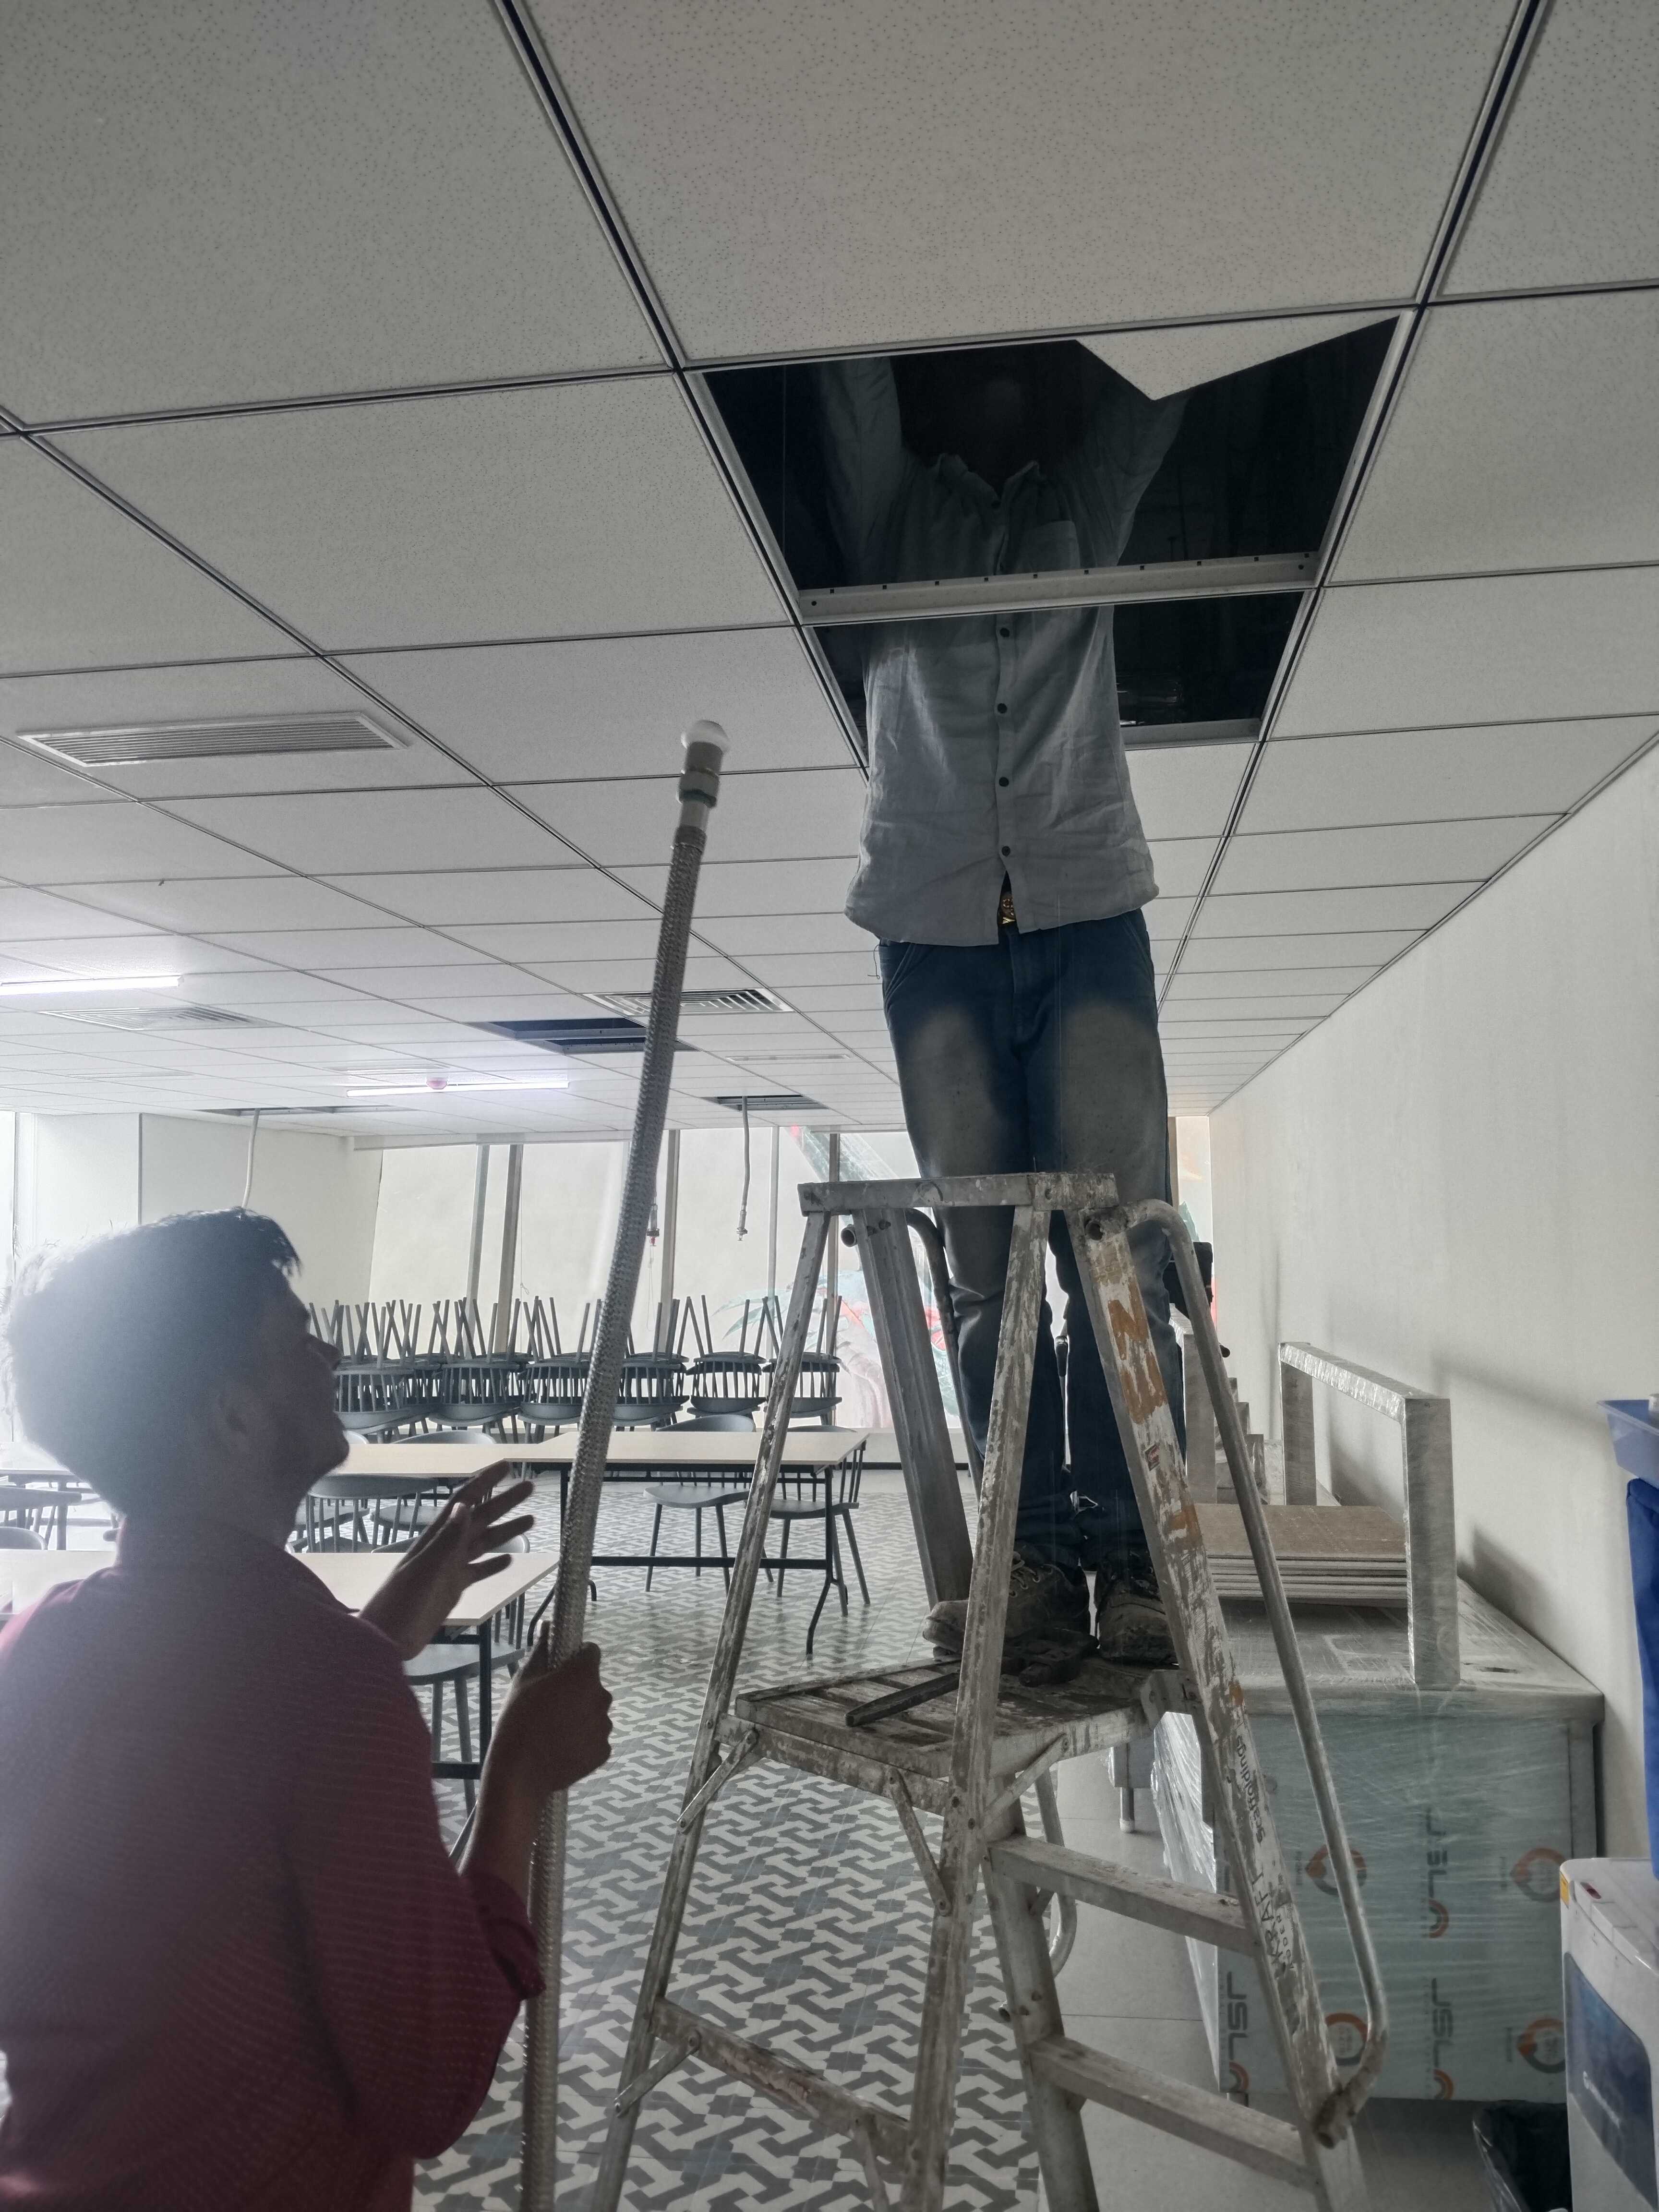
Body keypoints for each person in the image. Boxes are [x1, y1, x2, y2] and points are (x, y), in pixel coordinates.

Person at [0, 1210, 612, 2212]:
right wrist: (519, 1778)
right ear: (233, 1418)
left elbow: (206, 1778)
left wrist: (379, 1633)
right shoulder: (327, 1686)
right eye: (296, 1337)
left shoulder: (33, 1649)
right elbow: (434, 2083)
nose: (330, 1355)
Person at [816, 348, 1187, 1675]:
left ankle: (1136, 1562)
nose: (998, 391)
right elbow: (851, 393)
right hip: (933, 924)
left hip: (1084, 903)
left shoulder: (1076, 508)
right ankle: (1026, 1557)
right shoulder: (896, 512)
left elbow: (1154, 407)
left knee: (1119, 1260)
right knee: (987, 1280)